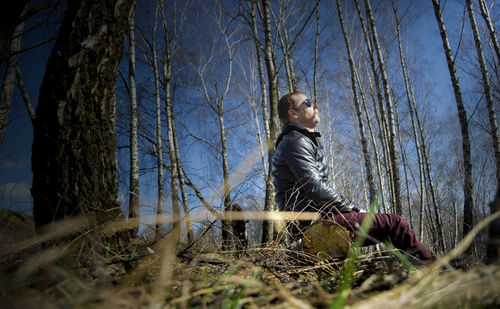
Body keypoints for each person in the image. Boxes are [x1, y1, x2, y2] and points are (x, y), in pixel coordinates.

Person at [271, 91, 436, 262]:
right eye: (308, 102)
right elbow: (315, 188)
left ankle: (418, 268)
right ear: (294, 114)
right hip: (314, 224)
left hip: (315, 220)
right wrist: (353, 209)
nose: (315, 106)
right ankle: (433, 268)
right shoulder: (295, 140)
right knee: (394, 223)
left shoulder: (298, 140)